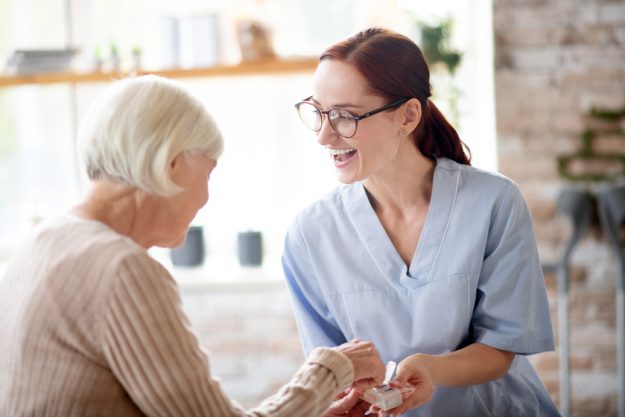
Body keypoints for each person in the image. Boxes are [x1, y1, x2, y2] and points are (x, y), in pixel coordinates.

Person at [0, 75, 387, 417]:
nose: (205, 198)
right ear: (170, 164)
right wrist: (329, 369)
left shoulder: (41, 242)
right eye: (208, 172)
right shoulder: (121, 269)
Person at [283, 28, 561, 416]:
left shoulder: (493, 203)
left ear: (408, 115)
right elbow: (331, 369)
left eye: (345, 116)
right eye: (318, 112)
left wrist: (434, 368)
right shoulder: (309, 235)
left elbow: (503, 344)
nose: (324, 136)